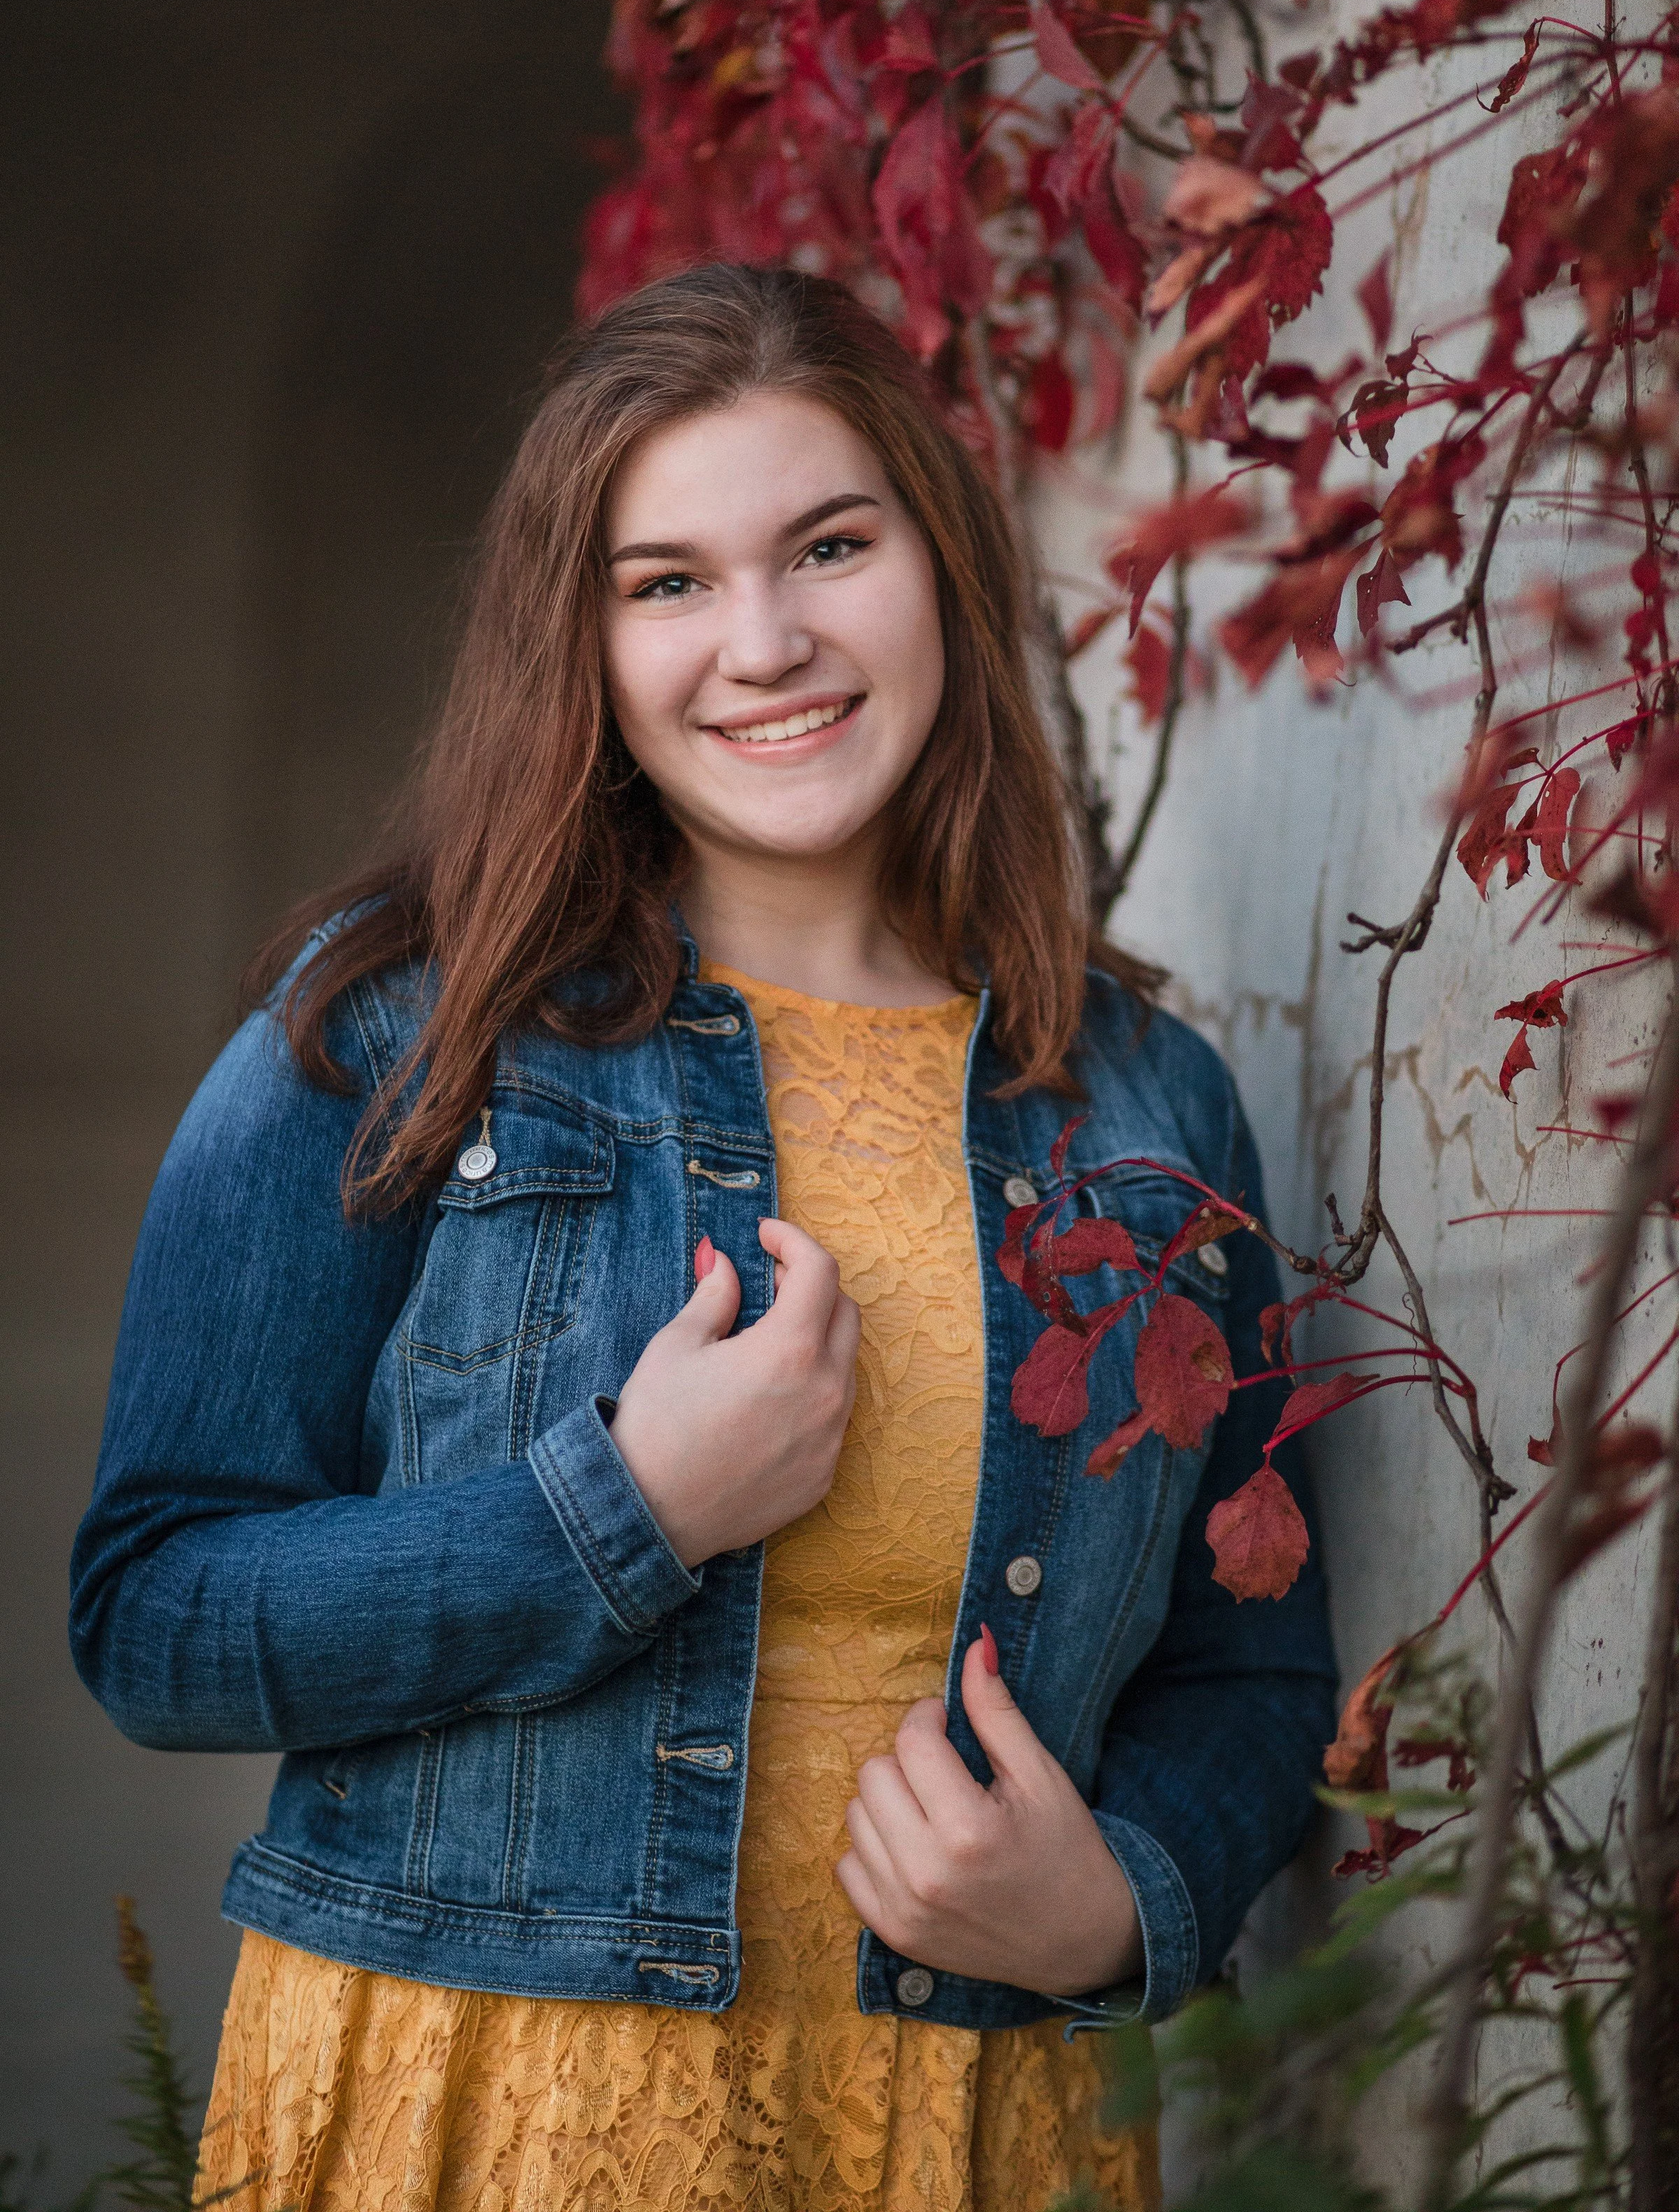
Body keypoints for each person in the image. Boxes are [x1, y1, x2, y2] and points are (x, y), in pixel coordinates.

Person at [71, 264, 1336, 2210]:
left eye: (829, 544)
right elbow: (155, 1615)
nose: (764, 641)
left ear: (940, 563)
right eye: (666, 581)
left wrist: (1117, 1904)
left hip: (976, 2132)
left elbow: (1250, 1677)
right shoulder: (400, 1033)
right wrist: (624, 1509)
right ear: (576, 640)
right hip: (499, 2114)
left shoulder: (1153, 1105)